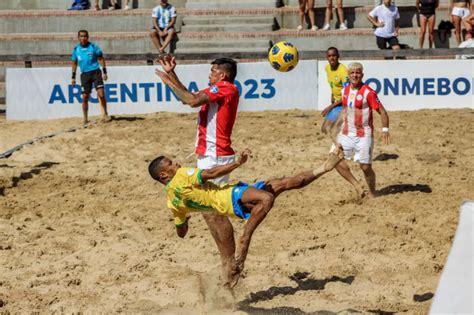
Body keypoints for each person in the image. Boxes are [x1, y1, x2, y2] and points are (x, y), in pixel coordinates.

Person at [148, 147, 344, 288]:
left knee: (283, 184)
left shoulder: (172, 202)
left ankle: (324, 167)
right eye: (171, 163)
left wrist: (186, 220)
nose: (177, 163)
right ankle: (246, 237)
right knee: (266, 198)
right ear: (164, 175)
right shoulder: (182, 174)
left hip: (231, 203)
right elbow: (212, 172)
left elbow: (181, 232)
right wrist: (238, 163)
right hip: (231, 195)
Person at [155, 56, 244, 288]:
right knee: (208, 210)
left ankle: (229, 263)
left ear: (222, 75)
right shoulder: (220, 87)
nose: (209, 74)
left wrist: (167, 81)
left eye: (212, 70)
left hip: (216, 155)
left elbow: (192, 101)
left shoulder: (225, 88)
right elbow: (190, 98)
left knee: (214, 210)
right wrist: (173, 74)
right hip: (209, 154)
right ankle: (226, 260)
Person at [331, 62, 390, 197]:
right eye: (352, 73)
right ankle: (358, 186)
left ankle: (374, 193)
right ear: (348, 75)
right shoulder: (344, 90)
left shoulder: (368, 92)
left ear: (362, 75)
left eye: (358, 72)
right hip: (346, 132)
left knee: (365, 167)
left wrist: (385, 129)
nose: (355, 75)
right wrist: (330, 110)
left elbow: (382, 111)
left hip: (364, 134)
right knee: (334, 159)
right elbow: (343, 103)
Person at [71, 30, 110, 124]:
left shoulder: (93, 46)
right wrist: (73, 77)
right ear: (78, 37)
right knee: (85, 97)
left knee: (101, 94)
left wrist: (104, 72)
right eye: (81, 36)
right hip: (85, 74)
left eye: (85, 36)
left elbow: (101, 58)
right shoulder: (76, 49)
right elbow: (74, 63)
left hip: (95, 72)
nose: (83, 38)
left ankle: (105, 114)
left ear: (87, 37)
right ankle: (85, 118)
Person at [321, 47, 349, 135]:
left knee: (332, 129)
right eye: (329, 56)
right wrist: (332, 104)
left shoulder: (343, 71)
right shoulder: (327, 68)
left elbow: (347, 96)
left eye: (334, 55)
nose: (332, 58)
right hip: (337, 104)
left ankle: (338, 147)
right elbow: (333, 87)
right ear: (327, 57)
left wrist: (329, 107)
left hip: (346, 105)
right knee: (324, 129)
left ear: (338, 56)